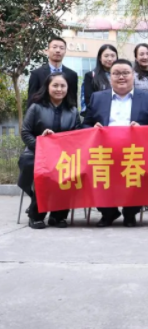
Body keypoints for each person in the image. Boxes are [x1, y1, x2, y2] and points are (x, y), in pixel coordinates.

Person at [83, 59, 148, 227]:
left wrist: (142, 130)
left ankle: (130, 213)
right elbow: (84, 125)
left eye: (126, 73)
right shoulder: (97, 98)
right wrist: (93, 129)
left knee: (140, 169)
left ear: (133, 75)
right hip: (104, 152)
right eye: (116, 73)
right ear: (110, 77)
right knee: (92, 169)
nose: (121, 77)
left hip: (136, 151)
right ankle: (108, 212)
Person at [18, 73, 81, 229]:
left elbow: (77, 135)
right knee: (41, 172)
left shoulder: (73, 111)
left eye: (63, 86)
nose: (59, 89)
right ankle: (36, 214)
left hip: (64, 155)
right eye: (55, 85)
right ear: (47, 87)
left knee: (69, 171)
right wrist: (42, 144)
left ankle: (58, 216)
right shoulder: (36, 107)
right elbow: (25, 132)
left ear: (68, 88)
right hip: (37, 153)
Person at [27, 36, 79, 110]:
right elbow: (31, 100)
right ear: (47, 50)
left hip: (64, 115)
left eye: (61, 48)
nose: (58, 50)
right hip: (42, 114)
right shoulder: (36, 74)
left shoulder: (72, 75)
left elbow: (73, 100)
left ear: (65, 52)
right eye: (54, 47)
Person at [82, 44, 118, 115]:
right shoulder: (91, 76)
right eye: (106, 56)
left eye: (112, 56)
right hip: (98, 115)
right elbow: (88, 100)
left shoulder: (122, 76)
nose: (110, 59)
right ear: (100, 58)